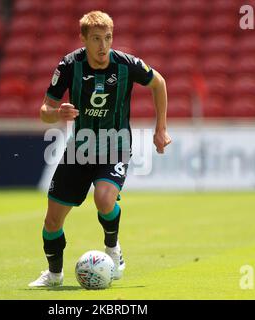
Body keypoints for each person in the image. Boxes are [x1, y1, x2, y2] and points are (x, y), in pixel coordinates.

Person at [29, 11, 171, 287]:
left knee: (105, 199)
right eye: (96, 39)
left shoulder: (126, 64)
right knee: (52, 221)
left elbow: (159, 83)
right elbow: (44, 111)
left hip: (115, 146)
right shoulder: (70, 65)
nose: (103, 46)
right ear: (83, 39)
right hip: (80, 150)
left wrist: (161, 128)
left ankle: (113, 250)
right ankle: (54, 275)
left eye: (107, 38)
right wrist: (58, 112)